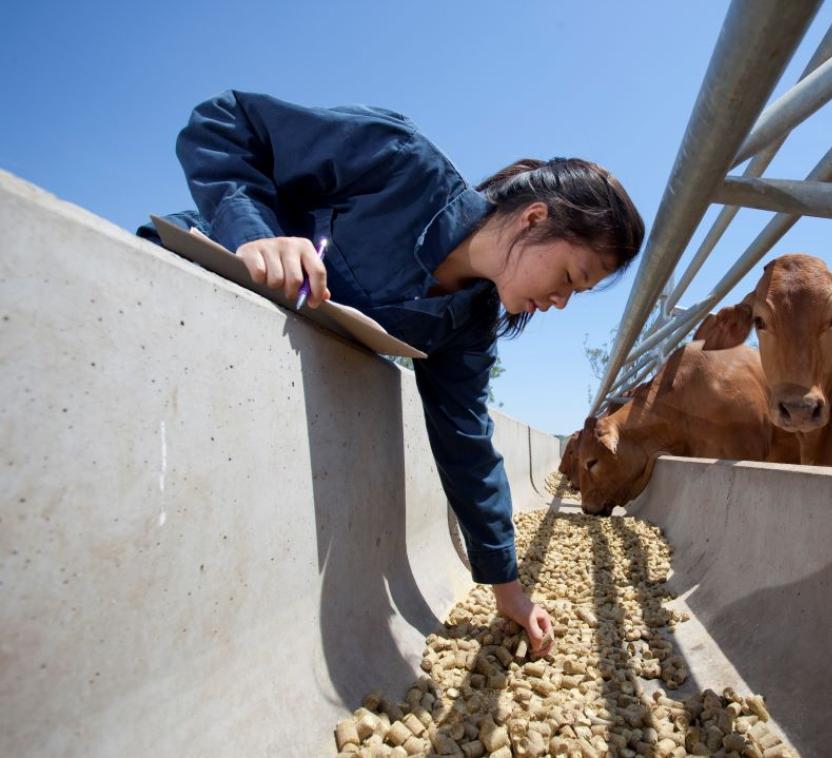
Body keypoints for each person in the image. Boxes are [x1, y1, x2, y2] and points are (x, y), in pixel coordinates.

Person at [139, 90, 644, 657]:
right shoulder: (400, 162)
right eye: (572, 277)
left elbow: (467, 443)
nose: (560, 302)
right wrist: (254, 230)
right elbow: (224, 121)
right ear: (534, 218)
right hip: (181, 295)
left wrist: (509, 590)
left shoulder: (469, 323)